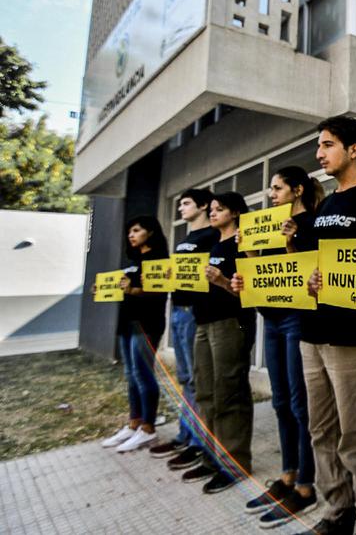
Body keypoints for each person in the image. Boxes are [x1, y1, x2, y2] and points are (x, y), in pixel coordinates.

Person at [299, 116, 356, 535]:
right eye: (319, 146)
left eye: (328, 145)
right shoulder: (327, 204)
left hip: (351, 337)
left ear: (354, 149)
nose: (320, 154)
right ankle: (337, 509)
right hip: (312, 333)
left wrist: (334, 279)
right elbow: (315, 263)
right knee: (320, 429)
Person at [233, 167, 323, 527]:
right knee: (281, 400)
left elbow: (306, 269)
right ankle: (287, 475)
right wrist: (247, 255)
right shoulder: (268, 224)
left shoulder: (313, 222)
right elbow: (263, 273)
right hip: (270, 318)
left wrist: (291, 239)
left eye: (277, 187)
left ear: (297, 190)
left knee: (300, 404)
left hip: (297, 318)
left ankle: (305, 485)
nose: (271, 194)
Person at [182, 191, 255, 494]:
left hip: (230, 323)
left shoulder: (243, 244)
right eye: (211, 209)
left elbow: (252, 289)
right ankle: (212, 456)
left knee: (229, 392)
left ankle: (234, 462)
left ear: (235, 212)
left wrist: (222, 281)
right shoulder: (213, 244)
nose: (212, 213)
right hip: (204, 322)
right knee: (207, 392)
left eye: (219, 209)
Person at [149, 189, 218, 471]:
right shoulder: (186, 240)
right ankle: (185, 434)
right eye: (179, 204)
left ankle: (199, 442)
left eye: (186, 203)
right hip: (177, 310)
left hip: (194, 313)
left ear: (203, 206)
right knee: (185, 377)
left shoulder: (211, 236)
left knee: (197, 380)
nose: (180, 208)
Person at [100, 216, 169, 453]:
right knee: (131, 374)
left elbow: (159, 292)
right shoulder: (131, 260)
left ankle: (148, 429)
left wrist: (132, 289)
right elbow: (121, 289)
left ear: (150, 233)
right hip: (126, 322)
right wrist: (104, 289)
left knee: (143, 373)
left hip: (147, 323)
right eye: (129, 230)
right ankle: (134, 423)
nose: (131, 234)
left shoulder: (159, 259)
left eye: (137, 230)